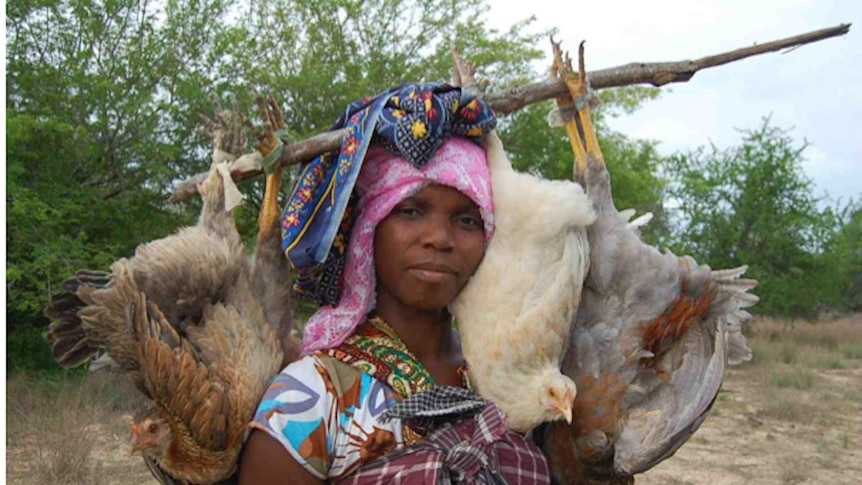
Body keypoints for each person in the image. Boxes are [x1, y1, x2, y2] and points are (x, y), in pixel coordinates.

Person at [238, 83, 549, 485]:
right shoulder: (312, 398)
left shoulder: (514, 377)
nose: (439, 237)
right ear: (368, 230)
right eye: (410, 210)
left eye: (467, 220)